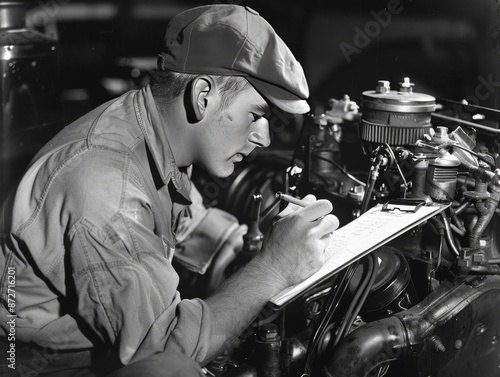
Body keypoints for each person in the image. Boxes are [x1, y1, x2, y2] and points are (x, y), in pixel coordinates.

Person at [0, 4, 339, 376]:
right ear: (203, 95)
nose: (264, 137)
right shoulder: (105, 187)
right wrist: (273, 267)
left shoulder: (150, 127)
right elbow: (166, 352)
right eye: (257, 115)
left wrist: (282, 245)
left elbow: (190, 225)